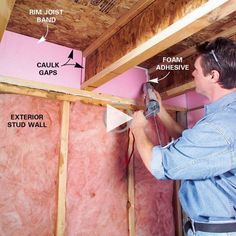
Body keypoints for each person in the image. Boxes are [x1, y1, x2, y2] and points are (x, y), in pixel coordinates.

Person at [130, 37, 236, 236]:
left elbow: (161, 165)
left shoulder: (220, 126)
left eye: (196, 68)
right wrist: (160, 111)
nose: (193, 73)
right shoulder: (225, 118)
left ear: (213, 75)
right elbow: (192, 147)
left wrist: (138, 130)